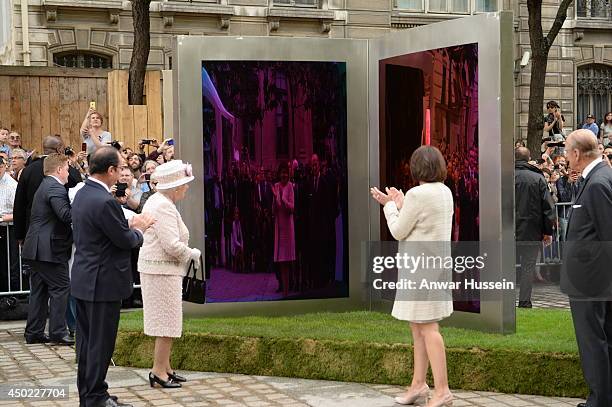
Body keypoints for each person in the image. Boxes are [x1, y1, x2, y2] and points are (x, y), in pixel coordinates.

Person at [71, 147, 155, 407]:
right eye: (119, 168)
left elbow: (102, 231)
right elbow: (123, 240)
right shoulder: (105, 200)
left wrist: (125, 224)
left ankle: (91, 393)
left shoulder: (84, 193)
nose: (121, 173)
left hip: (86, 278)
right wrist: (139, 229)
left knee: (86, 343)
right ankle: (95, 397)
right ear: (110, 171)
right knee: (100, 343)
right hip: (102, 282)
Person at [370, 145, 454, 407]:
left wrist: (389, 207)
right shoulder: (444, 191)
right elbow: (424, 221)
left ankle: (442, 390)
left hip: (420, 270)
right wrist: (402, 203)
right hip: (436, 267)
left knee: (427, 327)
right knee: (418, 326)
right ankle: (419, 385)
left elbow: (398, 230)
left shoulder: (418, 194)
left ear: (416, 168)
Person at [561, 129, 612, 407]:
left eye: (567, 152)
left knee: (593, 342)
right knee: (601, 340)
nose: (565, 158)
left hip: (591, 281)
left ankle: (599, 401)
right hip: (594, 279)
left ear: (577, 154)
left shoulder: (597, 183)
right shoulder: (597, 177)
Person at [138, 160, 200, 389]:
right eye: (184, 184)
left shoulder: (161, 202)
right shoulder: (162, 205)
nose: (186, 188)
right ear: (175, 187)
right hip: (161, 271)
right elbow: (172, 245)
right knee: (166, 322)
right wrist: (192, 254)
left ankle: (165, 367)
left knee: (169, 321)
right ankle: (158, 371)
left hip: (162, 270)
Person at [21, 154, 74, 345]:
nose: (68, 173)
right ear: (59, 170)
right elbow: (66, 215)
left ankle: (34, 332)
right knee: (61, 287)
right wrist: (82, 206)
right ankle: (58, 332)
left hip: (37, 248)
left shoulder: (45, 185)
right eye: (67, 169)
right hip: (49, 250)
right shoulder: (55, 187)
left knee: (39, 290)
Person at [13, 135, 81, 244]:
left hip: (33, 233)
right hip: (62, 234)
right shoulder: (70, 172)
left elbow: (20, 204)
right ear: (59, 149)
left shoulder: (28, 171)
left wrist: (19, 235)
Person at [514, 147, 555, 308]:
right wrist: (547, 231)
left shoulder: (505, 176)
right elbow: (548, 207)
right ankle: (524, 301)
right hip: (531, 229)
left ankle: (503, 301)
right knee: (528, 266)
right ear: (529, 158)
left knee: (504, 265)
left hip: (508, 229)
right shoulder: (537, 178)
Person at [273, 162, 296, 297]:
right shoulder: (276, 186)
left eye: (285, 173)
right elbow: (274, 209)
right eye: (282, 173)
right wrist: (275, 199)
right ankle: (284, 291)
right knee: (281, 261)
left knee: (288, 261)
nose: (284, 175)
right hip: (279, 227)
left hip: (288, 227)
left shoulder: (290, 187)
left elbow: (292, 208)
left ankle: (288, 290)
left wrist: (282, 198)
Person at [0, 156, 19, 294]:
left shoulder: (12, 185)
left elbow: (20, 211)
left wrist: (5, 218)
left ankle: (13, 293)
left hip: (9, 228)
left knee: (11, 262)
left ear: (3, 167)